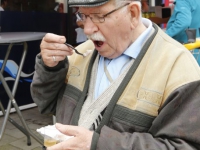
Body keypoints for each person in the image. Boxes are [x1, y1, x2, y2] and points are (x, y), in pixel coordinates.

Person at [31, 0, 200, 149]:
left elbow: (184, 145)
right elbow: (46, 104)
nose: (88, 29)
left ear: (133, 14)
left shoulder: (178, 68)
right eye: (83, 15)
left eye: (99, 16)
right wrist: (50, 68)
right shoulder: (80, 53)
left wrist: (98, 144)